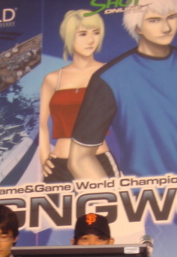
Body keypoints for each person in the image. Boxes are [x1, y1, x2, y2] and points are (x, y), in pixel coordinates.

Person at [68, 0, 177, 179]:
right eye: (154, 20)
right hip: (143, 191)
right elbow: (79, 159)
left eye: (171, 17)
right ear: (138, 27)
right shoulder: (110, 77)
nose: (166, 28)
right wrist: (115, 196)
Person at [39, 10, 119, 183]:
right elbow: (43, 125)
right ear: (69, 36)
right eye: (82, 34)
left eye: (96, 33)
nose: (91, 40)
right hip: (58, 165)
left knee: (105, 202)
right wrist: (44, 157)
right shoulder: (53, 79)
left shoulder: (110, 73)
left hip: (96, 161)